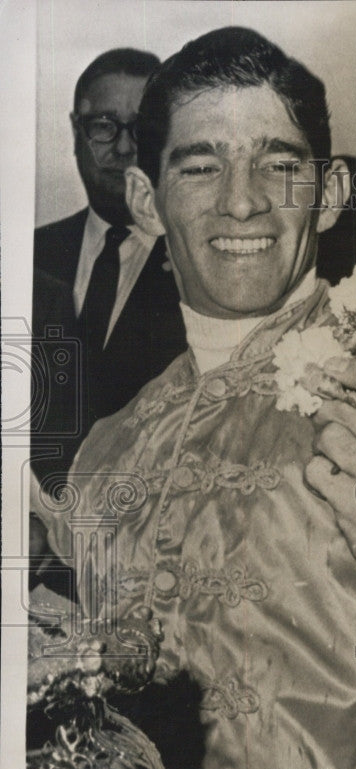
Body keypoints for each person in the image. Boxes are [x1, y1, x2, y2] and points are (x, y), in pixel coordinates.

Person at [43, 27, 356, 769]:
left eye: (279, 165)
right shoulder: (103, 452)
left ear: (324, 196)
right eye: (202, 165)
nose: (243, 200)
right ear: (147, 201)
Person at [32, 48, 186, 479]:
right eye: (103, 126)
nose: (123, 147)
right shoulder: (29, 256)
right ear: (75, 132)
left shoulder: (201, 270)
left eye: (141, 129)